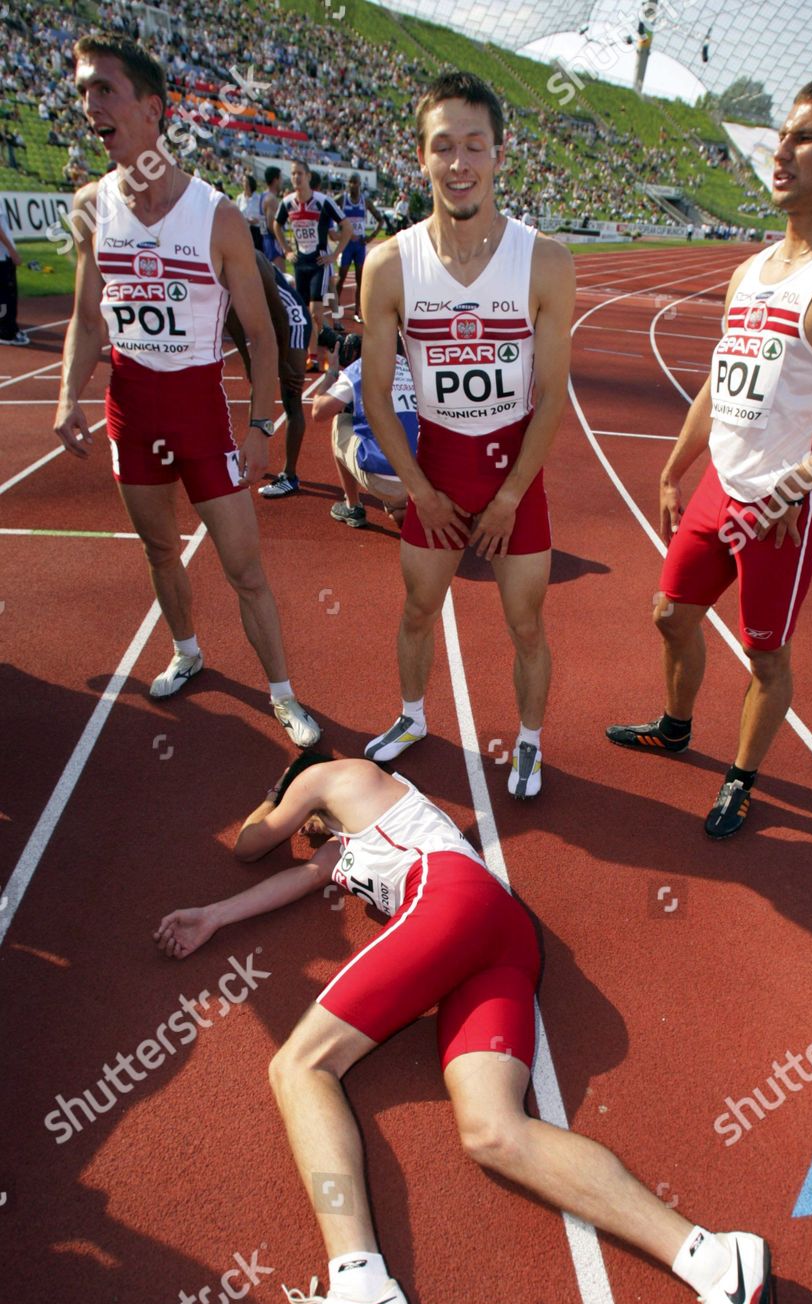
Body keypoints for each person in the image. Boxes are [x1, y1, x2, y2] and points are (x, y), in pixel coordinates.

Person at [155, 752, 783, 1304]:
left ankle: (358, 1285)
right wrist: (214, 916)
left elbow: (253, 844)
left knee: (298, 1067)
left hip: (447, 900)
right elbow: (297, 877)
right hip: (497, 936)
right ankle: (715, 1261)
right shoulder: (348, 843)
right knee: (493, 1133)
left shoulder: (331, 772)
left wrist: (273, 798)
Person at [608, 73, 812, 838]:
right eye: (782, 134)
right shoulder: (750, 270)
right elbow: (721, 379)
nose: (781, 151)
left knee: (764, 655)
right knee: (670, 614)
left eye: (806, 137)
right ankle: (675, 728)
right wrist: (675, 464)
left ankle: (740, 779)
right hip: (718, 486)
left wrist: (793, 487)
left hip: (783, 504)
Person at [54, 32, 319, 748]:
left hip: (201, 416)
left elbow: (262, 336)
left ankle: (284, 694)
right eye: (82, 91)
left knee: (244, 569)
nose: (88, 107)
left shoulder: (217, 217)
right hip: (129, 412)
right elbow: (85, 316)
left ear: (153, 107)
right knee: (159, 550)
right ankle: (187, 650)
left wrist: (262, 429)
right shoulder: (91, 206)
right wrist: (66, 398)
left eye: (102, 90)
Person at [361, 72, 576, 800]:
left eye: (473, 146)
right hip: (438, 469)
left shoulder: (543, 260)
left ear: (499, 155)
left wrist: (513, 494)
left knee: (525, 623)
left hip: (515, 473)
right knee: (418, 609)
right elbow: (375, 395)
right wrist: (419, 490)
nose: (459, 163)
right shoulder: (389, 264)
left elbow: (551, 395)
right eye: (442, 146)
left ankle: (527, 742)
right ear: (421, 158)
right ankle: (414, 716)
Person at [224, 249, 309, 501]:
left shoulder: (252, 260)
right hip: (263, 320)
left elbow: (280, 316)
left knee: (291, 396)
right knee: (257, 387)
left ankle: (290, 476)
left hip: (289, 317)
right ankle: (254, 454)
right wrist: (249, 362)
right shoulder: (213, 260)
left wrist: (281, 363)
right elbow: (231, 319)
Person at [312, 331, 418, 529]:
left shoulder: (360, 368)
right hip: (422, 477)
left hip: (384, 477)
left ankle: (353, 505)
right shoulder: (417, 367)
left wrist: (332, 372)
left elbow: (318, 412)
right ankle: (401, 504)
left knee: (341, 420)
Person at [274, 160, 352, 373]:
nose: (296, 178)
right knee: (302, 312)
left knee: (314, 312)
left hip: (319, 264)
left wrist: (335, 254)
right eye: (292, 174)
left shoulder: (323, 202)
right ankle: (314, 354)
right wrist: (287, 250)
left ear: (308, 176)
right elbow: (276, 224)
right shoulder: (287, 202)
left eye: (300, 173)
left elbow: (347, 226)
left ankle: (322, 352)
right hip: (301, 265)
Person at [334, 172, 384, 323]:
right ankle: (336, 309)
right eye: (350, 182)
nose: (352, 185)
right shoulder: (342, 199)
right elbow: (326, 209)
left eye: (355, 182)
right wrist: (337, 231)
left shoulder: (365, 201)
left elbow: (380, 220)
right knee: (341, 277)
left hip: (359, 246)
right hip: (347, 245)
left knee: (360, 279)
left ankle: (357, 310)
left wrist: (371, 237)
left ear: (360, 184)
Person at [0, 205, 29, 346]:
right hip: (2, 256)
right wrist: (12, 251)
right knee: (6, 296)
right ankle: (6, 332)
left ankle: (7, 329)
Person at [260, 165, 284, 266]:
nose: (282, 181)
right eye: (281, 178)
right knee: (280, 277)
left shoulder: (263, 195)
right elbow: (271, 226)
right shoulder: (271, 199)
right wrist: (284, 244)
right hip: (272, 242)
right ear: (275, 180)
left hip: (266, 240)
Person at [236, 171, 266, 251]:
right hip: (244, 230)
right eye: (243, 181)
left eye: (245, 181)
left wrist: (257, 222)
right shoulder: (239, 198)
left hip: (257, 232)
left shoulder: (259, 198)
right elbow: (237, 215)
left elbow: (264, 217)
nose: (243, 183)